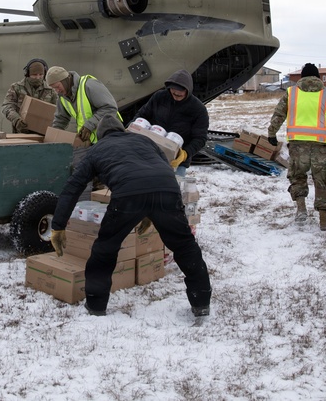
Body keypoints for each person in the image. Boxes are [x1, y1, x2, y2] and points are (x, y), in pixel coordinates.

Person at [49, 115, 212, 317]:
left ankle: (96, 306)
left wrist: (58, 226)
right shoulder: (145, 140)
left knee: (105, 250)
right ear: (123, 130)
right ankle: (201, 302)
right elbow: (163, 169)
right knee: (185, 246)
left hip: (128, 196)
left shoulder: (96, 150)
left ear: (100, 137)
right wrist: (150, 213)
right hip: (167, 190)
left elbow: (72, 188)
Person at [267, 63, 326, 230]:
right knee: (322, 180)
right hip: (321, 145)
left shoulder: (291, 93)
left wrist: (272, 133)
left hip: (297, 144)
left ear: (302, 77)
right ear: (318, 77)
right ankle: (324, 220)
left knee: (297, 176)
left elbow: (278, 114)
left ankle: (301, 209)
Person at [133, 69, 208, 177]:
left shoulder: (198, 109)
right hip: (150, 154)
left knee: (173, 190)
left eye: (179, 95)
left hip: (177, 161)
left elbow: (200, 138)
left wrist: (185, 154)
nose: (176, 96)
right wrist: (133, 127)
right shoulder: (159, 97)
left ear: (188, 91)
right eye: (173, 93)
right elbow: (142, 115)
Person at [46, 66, 120, 145]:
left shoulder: (89, 85)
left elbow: (110, 108)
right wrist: (53, 138)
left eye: (57, 87)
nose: (57, 91)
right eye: (54, 89)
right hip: (89, 143)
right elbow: (60, 119)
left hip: (108, 138)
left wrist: (89, 125)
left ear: (65, 81)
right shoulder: (62, 97)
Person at [1, 58, 58, 133]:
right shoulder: (16, 87)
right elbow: (7, 106)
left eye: (41, 75)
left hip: (42, 134)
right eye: (34, 75)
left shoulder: (51, 90)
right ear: (28, 74)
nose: (38, 77)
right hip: (21, 133)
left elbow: (58, 112)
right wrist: (17, 120)